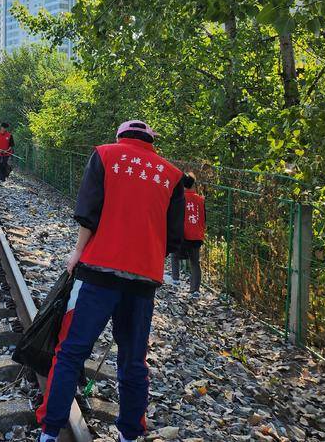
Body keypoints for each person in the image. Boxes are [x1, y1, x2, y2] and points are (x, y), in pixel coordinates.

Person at [37, 120, 185, 442]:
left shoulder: (104, 155)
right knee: (134, 361)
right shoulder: (172, 176)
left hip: (97, 274)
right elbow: (174, 239)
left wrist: (77, 253)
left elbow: (88, 213)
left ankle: (49, 432)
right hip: (142, 282)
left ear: (120, 137)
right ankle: (130, 435)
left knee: (71, 351)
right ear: (150, 141)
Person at [171, 173, 206, 295]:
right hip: (196, 235)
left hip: (183, 234)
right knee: (195, 262)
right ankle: (195, 290)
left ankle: (175, 280)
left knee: (174, 255)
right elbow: (203, 218)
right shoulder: (201, 200)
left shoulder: (180, 197)